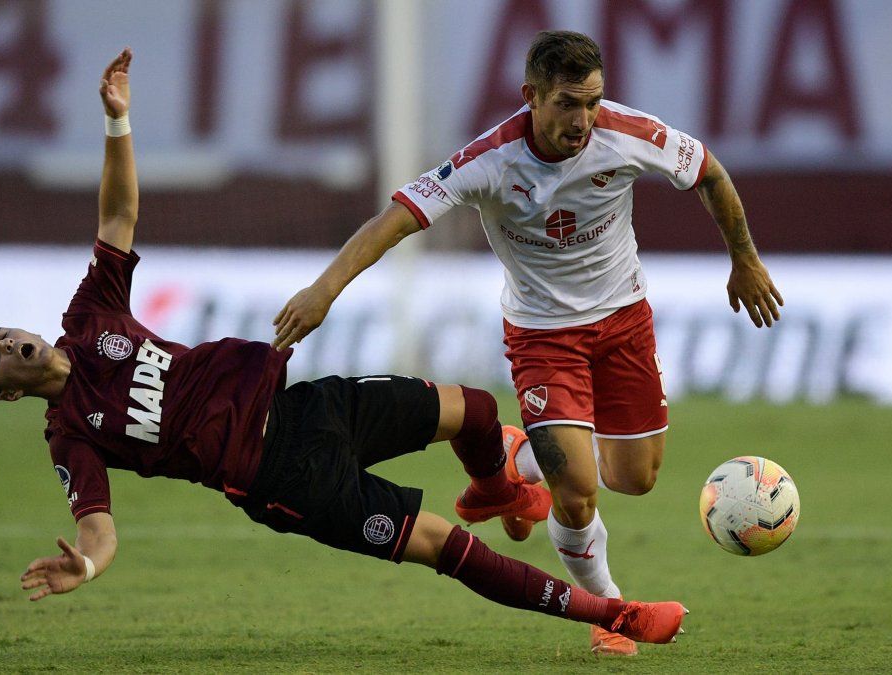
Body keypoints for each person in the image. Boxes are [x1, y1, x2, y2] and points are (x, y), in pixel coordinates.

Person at [0, 48, 689, 650]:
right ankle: (612, 616)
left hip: (304, 402)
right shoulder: (70, 432)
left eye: (1, 335)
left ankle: (497, 486)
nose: (9, 345)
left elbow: (118, 214)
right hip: (286, 479)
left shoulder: (87, 317)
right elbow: (98, 525)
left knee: (473, 409)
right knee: (444, 546)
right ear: (8, 390)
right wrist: (84, 562)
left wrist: (117, 124)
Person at [272, 31, 781, 655]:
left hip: (624, 320)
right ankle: (609, 611)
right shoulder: (490, 160)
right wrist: (325, 290)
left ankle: (517, 459)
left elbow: (708, 171)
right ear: (531, 96)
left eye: (593, 101)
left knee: (635, 477)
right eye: (568, 103)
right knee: (578, 491)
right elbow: (395, 219)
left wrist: (745, 259)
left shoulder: (628, 135)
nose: (584, 120)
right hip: (543, 337)